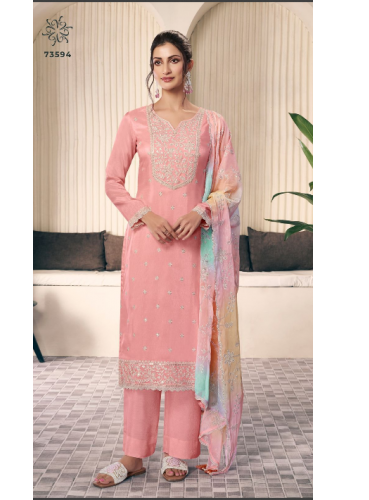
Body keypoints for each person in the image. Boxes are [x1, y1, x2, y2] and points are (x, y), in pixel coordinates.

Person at [94, 30, 243, 488]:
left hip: (195, 254)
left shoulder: (213, 124)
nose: (165, 69)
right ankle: (134, 454)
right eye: (157, 61)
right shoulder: (135, 122)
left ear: (188, 65)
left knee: (185, 347)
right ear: (152, 68)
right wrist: (145, 214)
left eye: (174, 60)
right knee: (142, 346)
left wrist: (202, 212)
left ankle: (179, 450)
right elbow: (113, 180)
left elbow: (229, 186)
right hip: (146, 250)